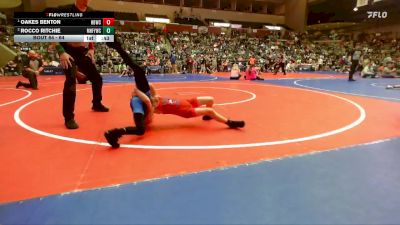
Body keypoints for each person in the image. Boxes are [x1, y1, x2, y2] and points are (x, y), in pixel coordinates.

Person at [104, 38, 245, 148]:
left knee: (210, 99)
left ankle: (207, 117)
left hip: (187, 101)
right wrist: (140, 95)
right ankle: (229, 122)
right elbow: (147, 110)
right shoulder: (152, 109)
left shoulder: (151, 101)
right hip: (186, 110)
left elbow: (150, 88)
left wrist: (145, 93)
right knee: (209, 110)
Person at [47, 0, 109, 129]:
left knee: (97, 79)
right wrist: (61, 52)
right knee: (70, 82)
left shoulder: (91, 12)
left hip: (82, 52)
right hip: (67, 51)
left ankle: (96, 103)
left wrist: (91, 49)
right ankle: (69, 117)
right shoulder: (64, 11)